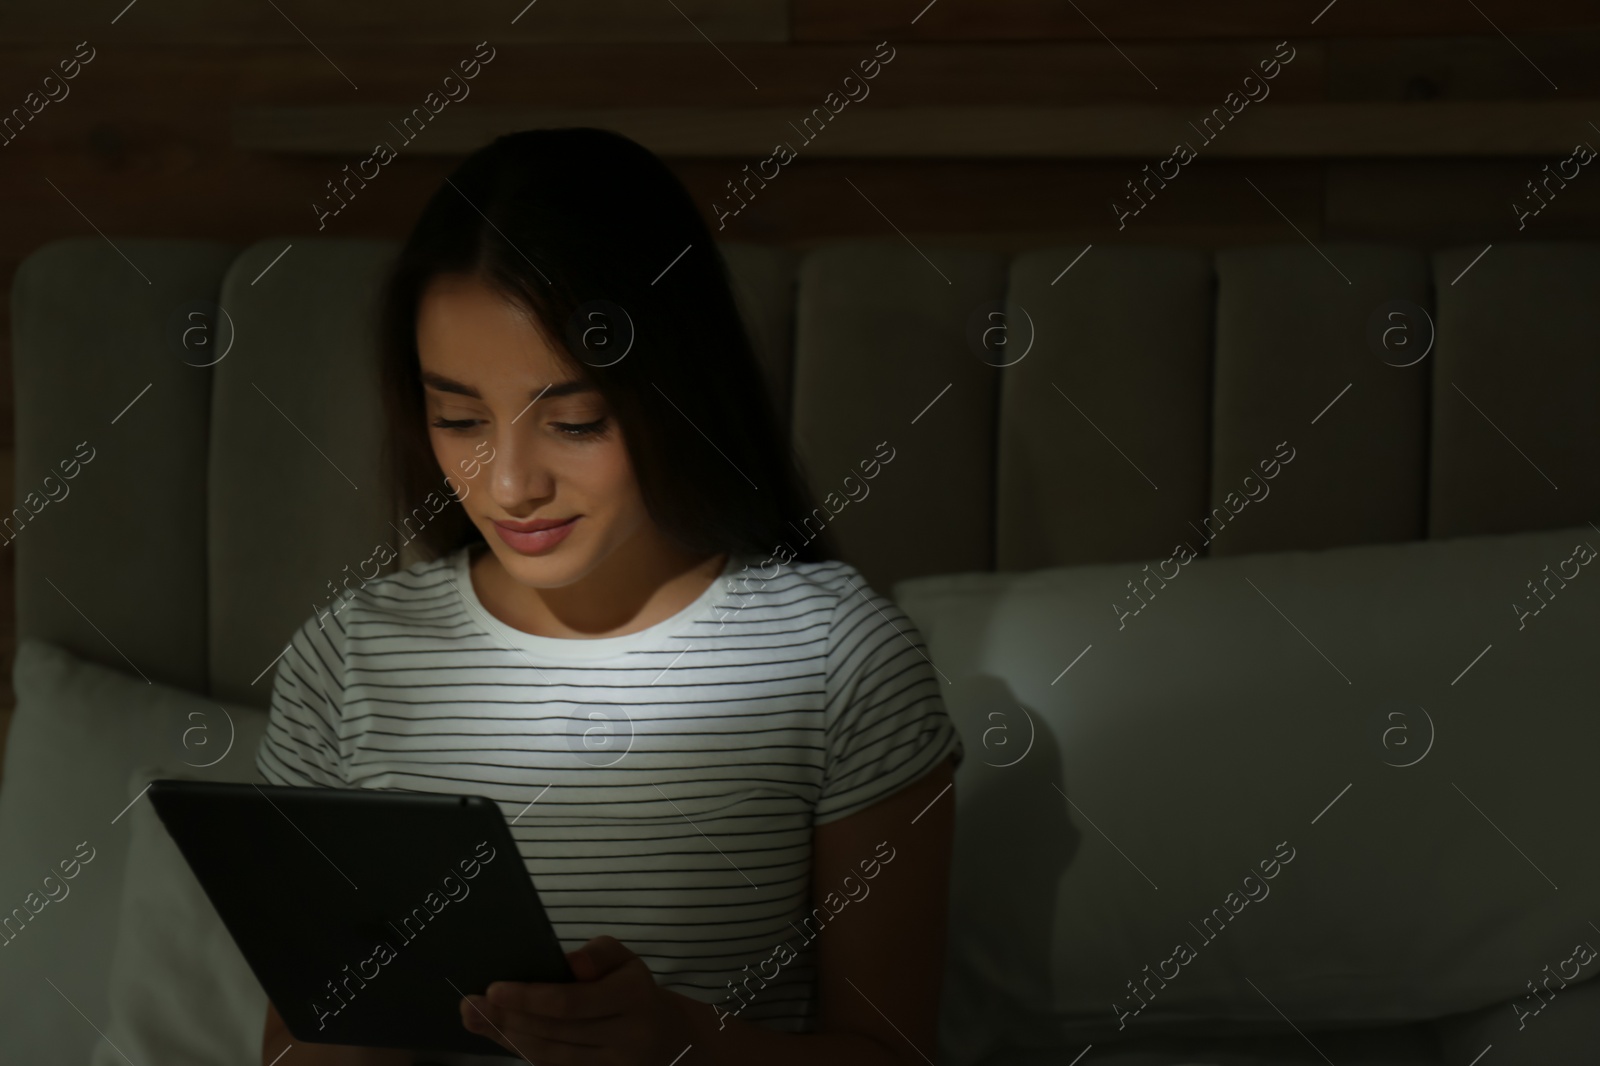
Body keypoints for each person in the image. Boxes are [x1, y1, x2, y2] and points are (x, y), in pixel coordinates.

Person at [256, 127, 964, 1066]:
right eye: (458, 418)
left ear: (675, 391)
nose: (509, 484)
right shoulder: (346, 657)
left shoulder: (838, 657)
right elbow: (290, 1049)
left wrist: (682, 1044)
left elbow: (896, 1057)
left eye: (576, 421)